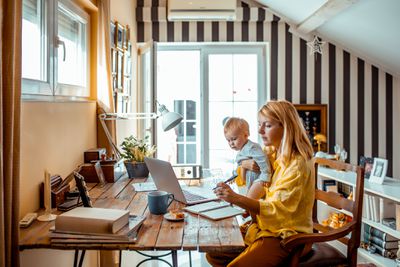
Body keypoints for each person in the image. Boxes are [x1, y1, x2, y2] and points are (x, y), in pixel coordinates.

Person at [207, 100, 315, 267]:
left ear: (286, 127)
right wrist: (244, 164)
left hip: (288, 236)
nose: (259, 131)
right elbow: (250, 172)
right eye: (259, 124)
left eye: (267, 126)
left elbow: (278, 209)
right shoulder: (272, 152)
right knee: (213, 254)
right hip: (267, 227)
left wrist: (237, 199)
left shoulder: (297, 164)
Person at [223, 117, 271, 200]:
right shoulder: (241, 151)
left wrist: (265, 175)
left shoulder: (251, 147)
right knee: (249, 202)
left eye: (234, 139)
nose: (231, 143)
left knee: (249, 201)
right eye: (228, 140)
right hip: (251, 183)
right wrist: (234, 176)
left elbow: (262, 159)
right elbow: (239, 166)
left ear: (246, 135)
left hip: (260, 181)